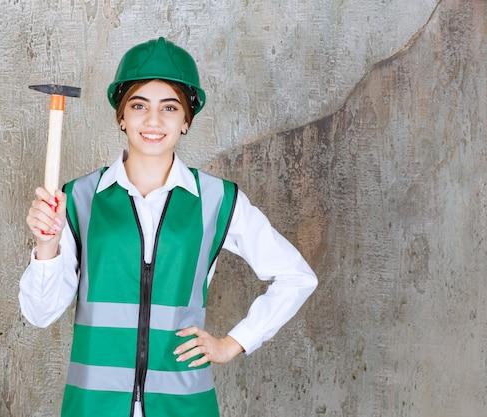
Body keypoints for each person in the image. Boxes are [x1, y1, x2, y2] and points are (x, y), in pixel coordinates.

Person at [19, 37, 317, 417]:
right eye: (139, 105)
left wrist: (233, 343)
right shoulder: (78, 198)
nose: (154, 121)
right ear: (121, 116)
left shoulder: (216, 200)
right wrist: (47, 245)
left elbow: (296, 277)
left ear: (186, 120)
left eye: (170, 107)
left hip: (184, 404)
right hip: (94, 405)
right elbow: (40, 314)